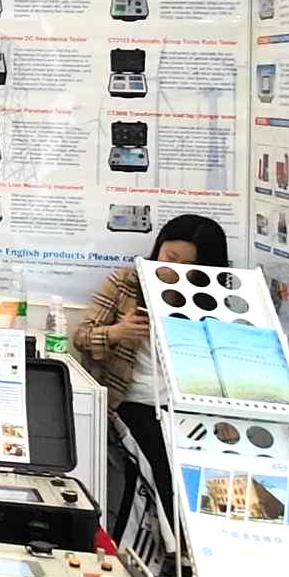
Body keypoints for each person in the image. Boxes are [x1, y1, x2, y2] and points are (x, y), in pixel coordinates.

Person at [75, 213, 229, 533]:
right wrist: (116, 333)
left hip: (187, 404)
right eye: (169, 257)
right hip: (131, 400)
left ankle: (206, 539)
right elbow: (82, 337)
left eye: (187, 266)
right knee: (159, 453)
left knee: (213, 460)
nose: (172, 270)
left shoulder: (214, 301)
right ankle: (177, 543)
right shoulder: (127, 284)